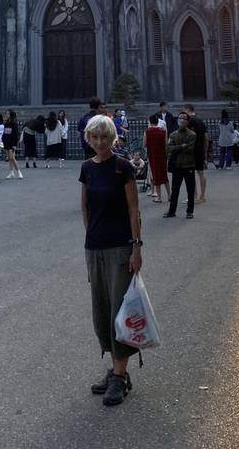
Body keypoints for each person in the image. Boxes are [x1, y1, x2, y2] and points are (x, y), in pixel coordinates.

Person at [80, 115, 142, 407]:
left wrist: (136, 247)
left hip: (120, 248)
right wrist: (92, 239)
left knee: (120, 310)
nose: (100, 142)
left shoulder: (123, 167)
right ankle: (115, 369)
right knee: (102, 311)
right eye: (94, 137)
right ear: (88, 139)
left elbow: (133, 210)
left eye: (104, 137)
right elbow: (85, 208)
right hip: (95, 248)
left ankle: (120, 376)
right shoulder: (86, 168)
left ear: (112, 138)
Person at [164, 114, 197, 219]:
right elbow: (168, 148)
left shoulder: (192, 134)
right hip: (177, 165)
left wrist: (176, 147)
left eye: (184, 119)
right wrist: (181, 146)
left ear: (187, 121)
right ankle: (172, 211)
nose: (181, 120)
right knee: (175, 190)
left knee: (190, 189)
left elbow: (190, 149)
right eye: (180, 118)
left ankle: (190, 211)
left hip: (189, 164)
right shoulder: (173, 134)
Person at [143, 114, 170, 204]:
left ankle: (159, 197)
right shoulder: (163, 131)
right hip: (162, 155)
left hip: (152, 155)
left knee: (155, 175)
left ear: (150, 122)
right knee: (164, 175)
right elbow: (166, 144)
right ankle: (169, 195)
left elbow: (144, 144)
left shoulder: (147, 132)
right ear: (158, 122)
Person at [185, 104, 208, 202]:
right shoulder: (201, 122)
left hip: (191, 151)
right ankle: (202, 196)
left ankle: (194, 196)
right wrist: (205, 150)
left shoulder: (189, 121)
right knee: (201, 173)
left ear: (187, 110)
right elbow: (206, 138)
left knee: (190, 174)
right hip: (200, 150)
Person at [1, 109, 22, 179]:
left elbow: (15, 135)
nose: (6, 115)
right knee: (9, 159)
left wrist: (14, 145)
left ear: (11, 115)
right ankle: (11, 172)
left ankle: (19, 172)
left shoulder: (14, 124)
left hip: (12, 143)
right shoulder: (6, 123)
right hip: (6, 142)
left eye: (8, 113)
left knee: (12, 158)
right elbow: (4, 133)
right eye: (6, 113)